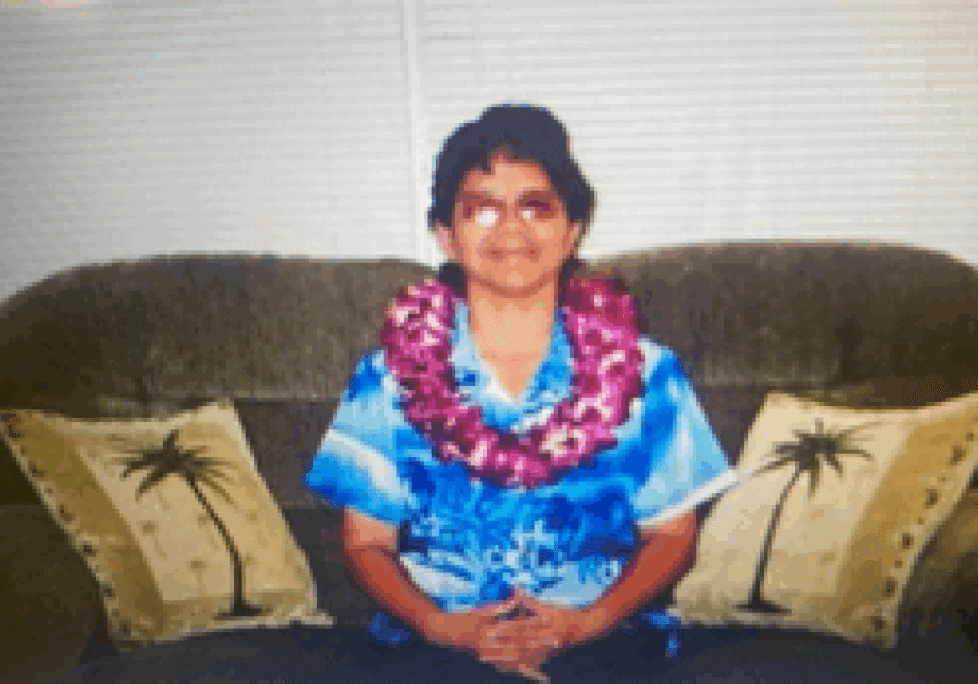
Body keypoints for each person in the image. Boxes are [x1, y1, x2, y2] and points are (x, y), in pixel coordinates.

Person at [304, 103, 736, 682]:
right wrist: (441, 627)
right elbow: (365, 543)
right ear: (447, 236)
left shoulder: (646, 371)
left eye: (535, 207)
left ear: (571, 231)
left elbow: (672, 534)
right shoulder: (388, 375)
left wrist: (586, 624)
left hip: (603, 637)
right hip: (435, 642)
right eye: (483, 210)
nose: (511, 228)